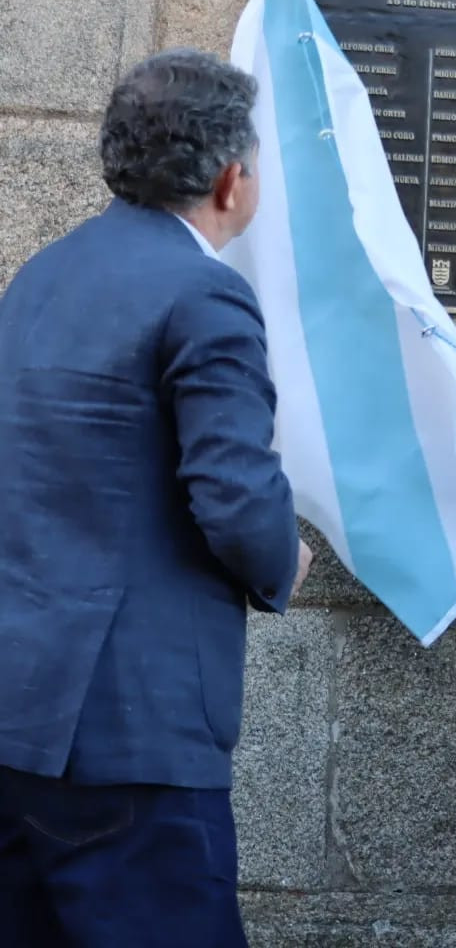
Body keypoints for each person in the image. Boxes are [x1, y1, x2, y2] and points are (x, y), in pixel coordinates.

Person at [0, 49, 312, 947]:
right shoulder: (206, 294)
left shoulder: (37, 278)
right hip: (133, 733)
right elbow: (236, 497)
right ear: (229, 178)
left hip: (20, 724)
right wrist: (287, 552)